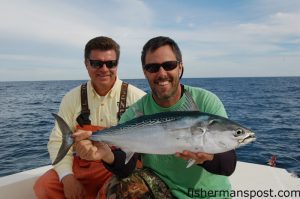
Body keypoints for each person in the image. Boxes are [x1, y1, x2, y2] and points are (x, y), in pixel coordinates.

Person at [74, 36, 237, 199]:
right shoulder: (136, 111)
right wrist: (106, 155)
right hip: (163, 192)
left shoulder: (205, 101)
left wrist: (207, 157)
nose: (162, 73)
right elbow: (126, 167)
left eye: (169, 65)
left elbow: (228, 165)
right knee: (120, 185)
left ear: (180, 67)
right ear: (145, 72)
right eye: (153, 68)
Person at [33, 36, 146, 199]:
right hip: (83, 166)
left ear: (117, 65)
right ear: (86, 64)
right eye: (96, 63)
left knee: (120, 190)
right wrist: (67, 177)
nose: (104, 69)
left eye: (110, 63)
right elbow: (58, 140)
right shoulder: (71, 98)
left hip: (121, 166)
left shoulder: (138, 98)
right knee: (44, 186)